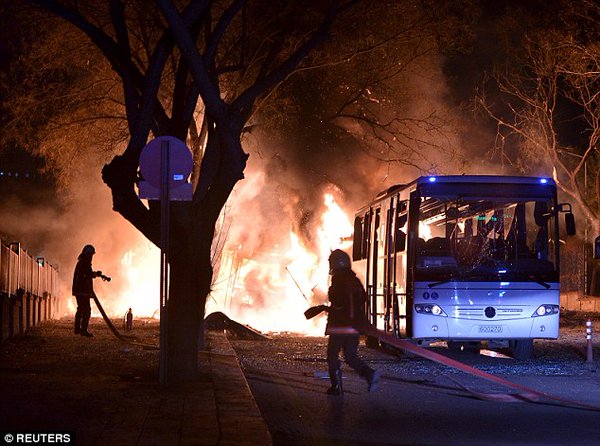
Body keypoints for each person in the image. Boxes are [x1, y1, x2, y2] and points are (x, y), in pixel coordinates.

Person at [325, 249, 380, 395]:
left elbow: (336, 300)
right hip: (355, 325)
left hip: (340, 325)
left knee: (332, 355)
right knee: (350, 356)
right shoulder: (355, 280)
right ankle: (369, 374)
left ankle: (336, 387)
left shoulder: (338, 280)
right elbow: (362, 298)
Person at [72, 244, 103, 337]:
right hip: (82, 291)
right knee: (86, 310)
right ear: (87, 254)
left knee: (80, 309)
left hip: (79, 290)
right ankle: (83, 330)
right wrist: (95, 274)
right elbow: (87, 275)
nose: (91, 257)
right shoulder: (84, 263)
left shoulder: (82, 262)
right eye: (91, 254)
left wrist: (95, 274)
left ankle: (77, 329)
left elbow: (86, 274)